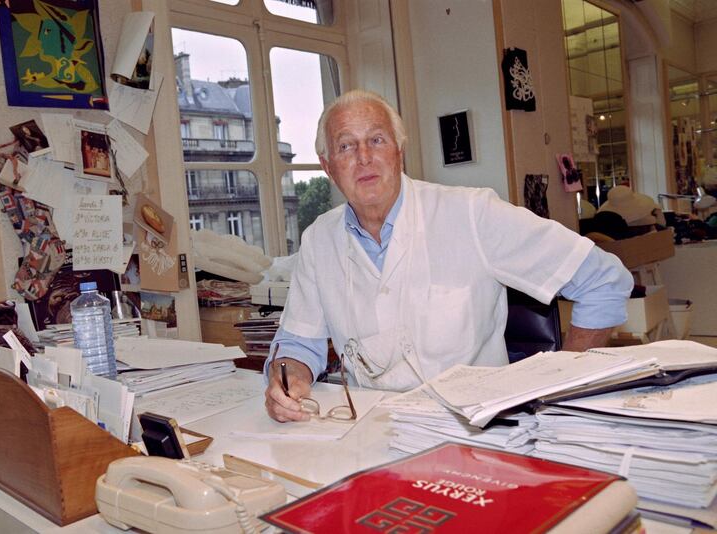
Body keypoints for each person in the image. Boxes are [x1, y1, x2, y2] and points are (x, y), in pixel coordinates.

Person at [264, 90, 634, 423]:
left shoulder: (472, 213)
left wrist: (561, 390)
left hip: (476, 433)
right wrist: (288, 379)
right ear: (327, 166)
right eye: (346, 146)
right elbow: (298, 344)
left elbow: (604, 281)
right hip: (372, 434)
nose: (364, 158)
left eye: (376, 140)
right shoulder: (318, 241)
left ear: (399, 152)